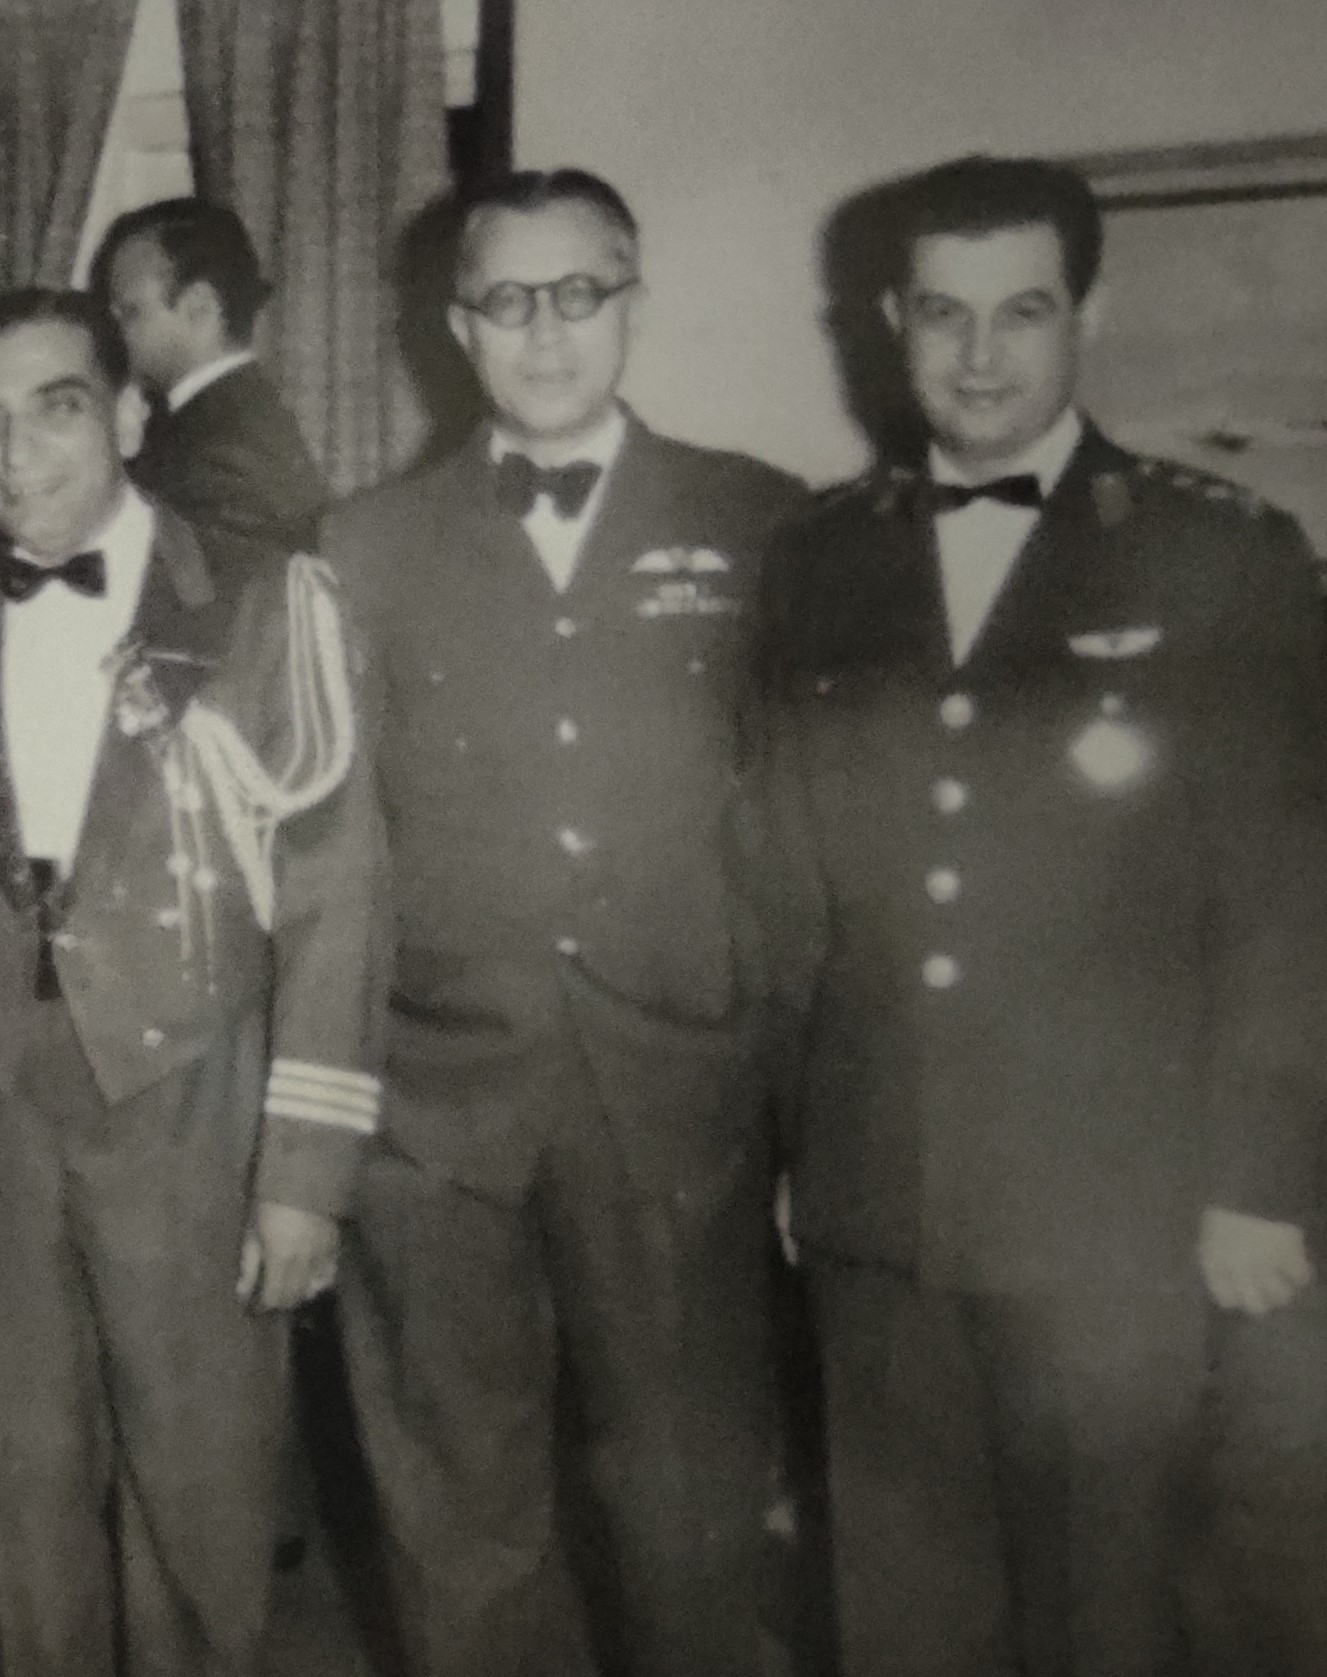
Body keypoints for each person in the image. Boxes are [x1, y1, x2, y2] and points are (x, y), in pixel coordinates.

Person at [749, 152, 1327, 1677]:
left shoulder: (1218, 552)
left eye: (1019, 311)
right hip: (877, 1194)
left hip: (1114, 1204)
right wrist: (791, 1155)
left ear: (1086, 314)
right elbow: (785, 887)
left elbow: (1284, 898)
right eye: (941, 314)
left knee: (1102, 1616)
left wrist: (1254, 1180)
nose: (977, 357)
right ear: (890, 321)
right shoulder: (815, 557)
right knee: (899, 1619)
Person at [319, 168, 808, 1677]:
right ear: (457, 327)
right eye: (508, 301)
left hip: (678, 1093)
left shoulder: (760, 520)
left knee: (690, 1513)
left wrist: (792, 1094)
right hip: (430, 1106)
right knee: (456, 1516)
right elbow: (329, 847)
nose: (544, 334)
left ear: (632, 302)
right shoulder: (361, 545)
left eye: (578, 294)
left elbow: (801, 829)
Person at [0, 287, 382, 1677]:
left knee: (199, 1494)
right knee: (24, 1487)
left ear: (128, 415)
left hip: (190, 1086)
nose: (15, 456)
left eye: (54, 410)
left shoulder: (259, 594)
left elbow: (338, 894)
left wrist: (302, 1173)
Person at [91, 197, 328, 554]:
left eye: (130, 312)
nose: (114, 333)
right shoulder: (238, 416)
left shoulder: (221, 450)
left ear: (199, 308)